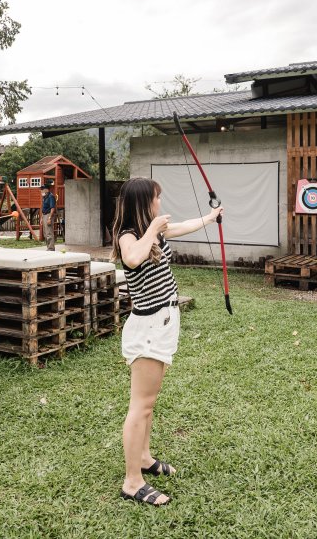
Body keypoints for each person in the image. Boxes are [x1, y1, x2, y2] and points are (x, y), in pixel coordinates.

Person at [112, 177, 223, 506]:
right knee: (140, 405)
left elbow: (184, 227)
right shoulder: (129, 236)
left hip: (162, 323)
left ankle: (144, 458)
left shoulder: (154, 232)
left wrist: (211, 218)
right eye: (156, 198)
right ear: (144, 202)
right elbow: (132, 259)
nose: (160, 203)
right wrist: (151, 230)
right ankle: (132, 481)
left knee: (149, 402)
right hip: (147, 327)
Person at [40, 183, 57, 250]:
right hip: (44, 215)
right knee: (45, 233)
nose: (41, 191)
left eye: (42, 189)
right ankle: (48, 247)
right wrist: (41, 217)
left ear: (47, 190)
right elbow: (43, 208)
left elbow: (52, 208)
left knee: (49, 232)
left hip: (48, 215)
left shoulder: (51, 196)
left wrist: (49, 218)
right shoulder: (44, 197)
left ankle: (51, 248)